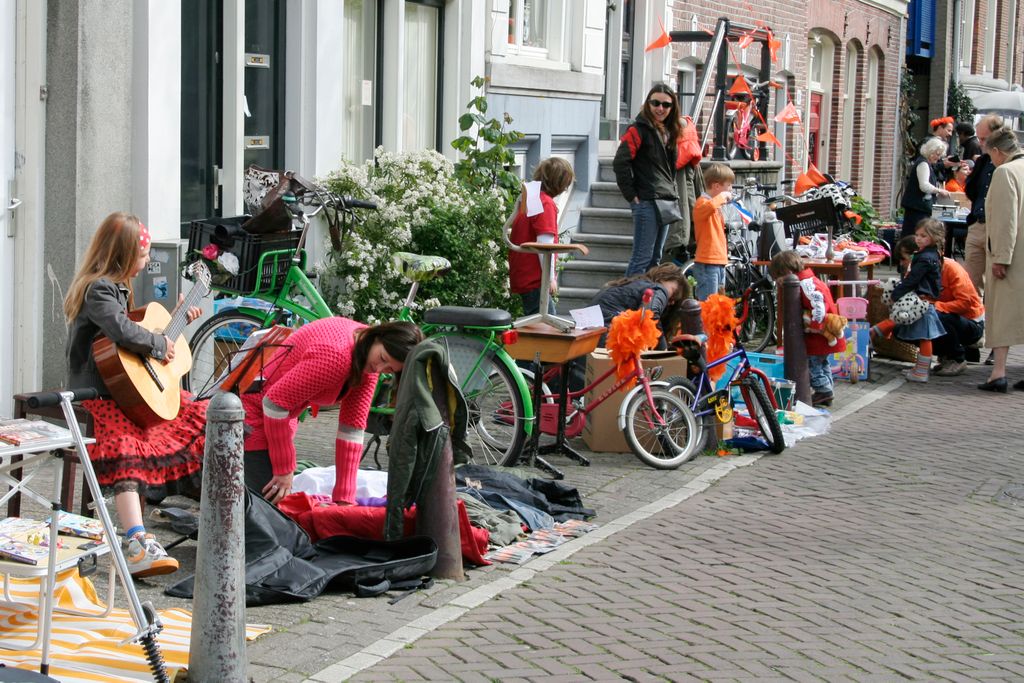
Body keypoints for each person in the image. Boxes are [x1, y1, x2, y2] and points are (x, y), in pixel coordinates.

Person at [64, 212, 207, 578]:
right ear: (124, 255)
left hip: (119, 393)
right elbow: (122, 331)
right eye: (143, 256)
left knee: (195, 416)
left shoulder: (117, 290)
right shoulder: (99, 289)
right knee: (127, 443)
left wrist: (176, 321)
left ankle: (212, 511)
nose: (146, 263)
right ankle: (136, 541)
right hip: (95, 395)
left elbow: (134, 341)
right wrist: (160, 344)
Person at [242, 318, 423, 502]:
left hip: (280, 418)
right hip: (250, 413)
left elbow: (352, 429)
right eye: (382, 359)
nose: (379, 369)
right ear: (378, 336)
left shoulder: (365, 354)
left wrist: (344, 498)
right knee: (265, 503)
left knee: (275, 498)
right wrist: (284, 469)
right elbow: (274, 404)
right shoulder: (336, 356)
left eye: (390, 369)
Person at [565, 263, 691, 391]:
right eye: (674, 293)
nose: (672, 301)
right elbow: (651, 314)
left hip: (586, 343)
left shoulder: (632, 284)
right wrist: (664, 351)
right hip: (605, 343)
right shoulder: (658, 289)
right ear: (663, 278)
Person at [613, 84, 685, 276]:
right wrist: (631, 195)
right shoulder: (637, 130)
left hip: (665, 199)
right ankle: (629, 303)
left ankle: (648, 304)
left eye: (666, 105)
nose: (660, 108)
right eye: (655, 103)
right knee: (641, 259)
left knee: (655, 259)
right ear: (648, 103)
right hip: (647, 201)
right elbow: (620, 162)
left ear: (672, 107)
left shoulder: (669, 131)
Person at [977, 128, 1024, 393]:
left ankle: (998, 373)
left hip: (1013, 256)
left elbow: (1006, 220)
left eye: (990, 155)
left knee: (1003, 313)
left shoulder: (1005, 172)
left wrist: (1001, 258)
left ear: (997, 151)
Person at [870, 219, 947, 383]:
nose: (918, 239)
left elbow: (913, 279)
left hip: (922, 300)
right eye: (918, 235)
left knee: (925, 336)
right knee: (923, 336)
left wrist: (897, 293)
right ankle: (920, 368)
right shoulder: (933, 254)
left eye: (923, 236)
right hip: (926, 298)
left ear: (933, 237)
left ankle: (921, 372)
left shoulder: (925, 258)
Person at [768, 250, 846, 407]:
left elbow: (818, 307)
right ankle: (827, 390)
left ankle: (823, 391)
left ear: (787, 272)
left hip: (819, 336)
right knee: (822, 364)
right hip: (824, 337)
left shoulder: (805, 284)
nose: (778, 282)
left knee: (812, 365)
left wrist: (815, 326)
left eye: (778, 278)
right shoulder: (811, 279)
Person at [508, 157, 575, 316]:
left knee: (536, 323)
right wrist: (549, 278)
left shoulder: (531, 196)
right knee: (546, 330)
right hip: (535, 277)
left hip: (524, 273)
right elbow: (544, 245)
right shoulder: (545, 203)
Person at [963, 114, 1006, 296]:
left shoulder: (1008, 164)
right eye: (979, 138)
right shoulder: (982, 161)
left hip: (995, 228)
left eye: (984, 139)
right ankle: (974, 320)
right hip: (977, 224)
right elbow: (972, 190)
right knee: (970, 280)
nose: (980, 143)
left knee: (995, 282)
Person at [691, 163, 735, 300]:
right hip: (707, 263)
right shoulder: (702, 203)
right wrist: (723, 197)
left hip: (718, 262)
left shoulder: (714, 205)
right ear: (716, 186)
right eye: (728, 186)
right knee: (708, 305)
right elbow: (709, 206)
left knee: (718, 306)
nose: (731, 189)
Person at [901, 137, 951, 238]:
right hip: (917, 208)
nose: (938, 158)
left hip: (919, 207)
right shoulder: (923, 164)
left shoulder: (926, 164)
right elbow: (924, 185)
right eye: (937, 154)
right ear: (930, 151)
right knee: (914, 235)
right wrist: (939, 191)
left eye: (940, 155)